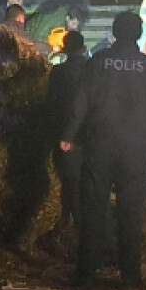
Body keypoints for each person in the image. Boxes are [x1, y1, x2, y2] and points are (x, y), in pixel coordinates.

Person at [60, 12, 146, 289]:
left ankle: (86, 274)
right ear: (138, 34)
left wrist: (68, 136)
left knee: (93, 210)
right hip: (136, 149)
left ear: (115, 32)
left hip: (101, 145)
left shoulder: (98, 63)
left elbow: (79, 103)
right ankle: (130, 277)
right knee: (131, 212)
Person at [45, 31, 87, 234]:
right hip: (88, 134)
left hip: (65, 133)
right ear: (83, 48)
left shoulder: (58, 72)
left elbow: (51, 103)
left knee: (69, 179)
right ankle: (79, 224)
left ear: (65, 49)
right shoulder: (92, 70)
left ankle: (73, 221)